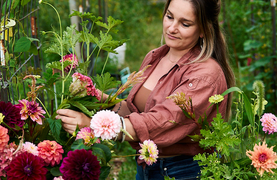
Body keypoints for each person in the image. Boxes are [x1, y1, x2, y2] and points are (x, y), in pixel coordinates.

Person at [56, 0, 235, 179]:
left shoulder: (205, 74)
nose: (172, 28)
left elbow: (161, 121)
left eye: (185, 24)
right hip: (146, 166)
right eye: (169, 17)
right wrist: (96, 97)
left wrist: (94, 126)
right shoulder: (156, 57)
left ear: (204, 29)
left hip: (183, 171)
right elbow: (136, 110)